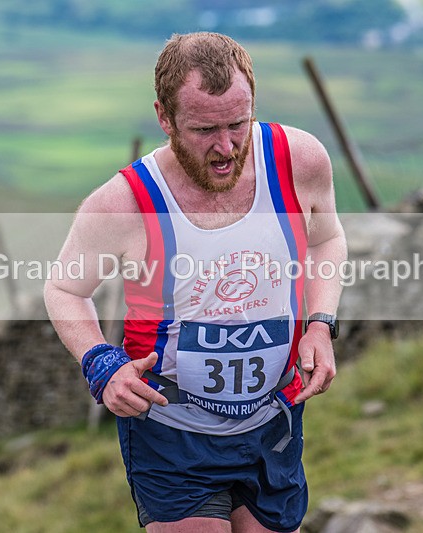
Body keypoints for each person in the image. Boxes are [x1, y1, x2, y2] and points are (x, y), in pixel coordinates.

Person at [45, 32, 347, 533]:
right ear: (164, 118)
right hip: (171, 429)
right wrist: (101, 363)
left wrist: (320, 324)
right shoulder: (123, 204)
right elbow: (64, 290)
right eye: (204, 129)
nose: (226, 147)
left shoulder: (299, 161)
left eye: (238, 123)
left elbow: (326, 240)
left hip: (273, 418)